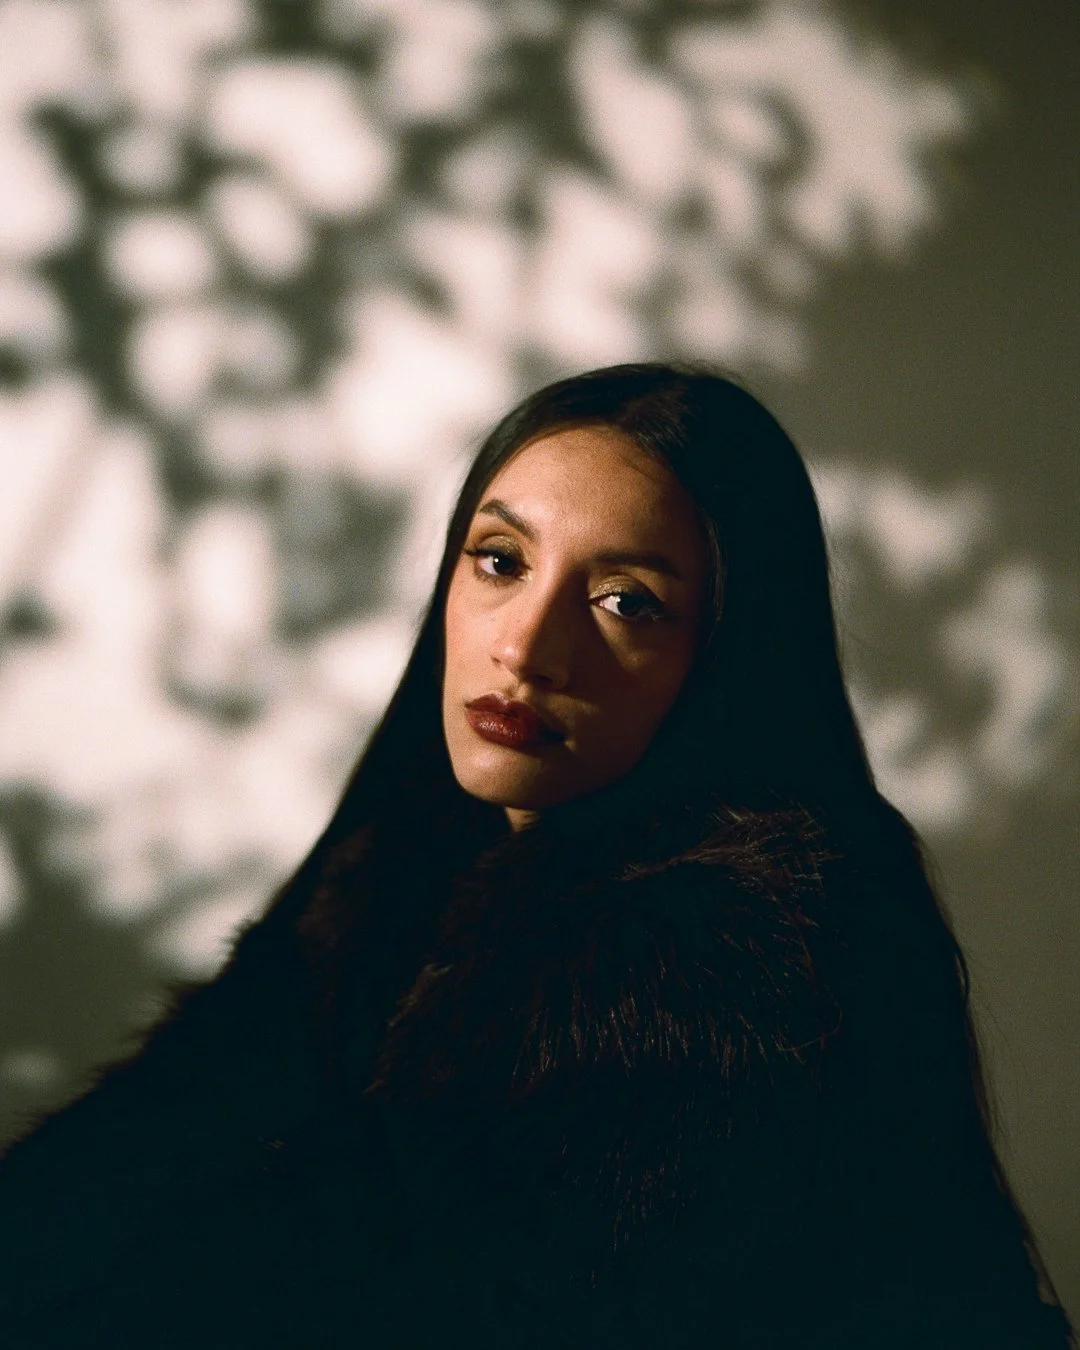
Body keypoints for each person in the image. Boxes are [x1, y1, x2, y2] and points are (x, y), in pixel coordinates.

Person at [0, 363, 1072, 1348]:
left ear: (728, 658)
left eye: (625, 601)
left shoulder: (737, 966)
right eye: (501, 561)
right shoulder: (392, 874)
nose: (526, 643)